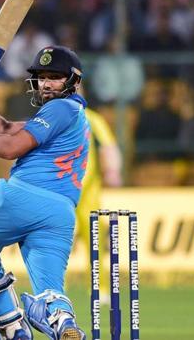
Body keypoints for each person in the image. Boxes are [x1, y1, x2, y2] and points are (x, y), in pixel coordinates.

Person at [0, 46, 90, 340]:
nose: (46, 84)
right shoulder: (73, 115)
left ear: (73, 81)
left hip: (21, 198)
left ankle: (12, 326)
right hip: (59, 215)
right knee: (50, 290)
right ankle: (63, 322)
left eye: (55, 77)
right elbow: (7, 128)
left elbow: (9, 148)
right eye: (42, 77)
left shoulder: (60, 108)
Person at [74, 105, 122, 304]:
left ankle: (100, 288)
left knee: (94, 239)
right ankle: (54, 289)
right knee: (55, 241)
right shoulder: (51, 115)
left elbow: (108, 145)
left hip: (88, 190)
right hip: (61, 188)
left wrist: (113, 171)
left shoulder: (91, 117)